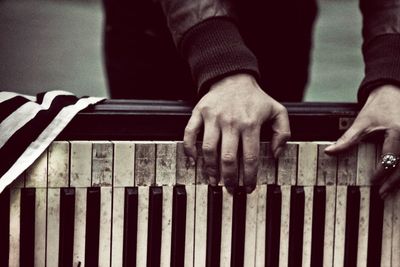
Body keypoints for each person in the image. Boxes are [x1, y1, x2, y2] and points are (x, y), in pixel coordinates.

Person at [102, 0, 400, 197]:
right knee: (155, 185)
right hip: (156, 29)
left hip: (278, 20)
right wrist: (222, 62)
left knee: (261, 166)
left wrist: (391, 74)